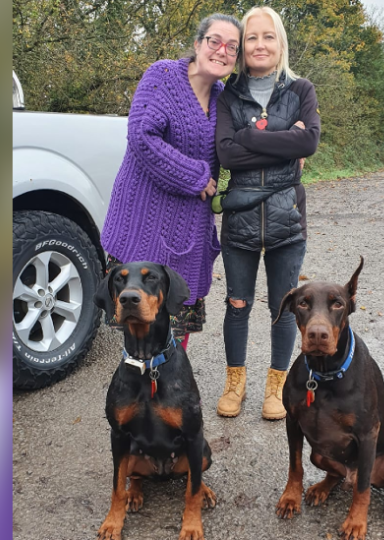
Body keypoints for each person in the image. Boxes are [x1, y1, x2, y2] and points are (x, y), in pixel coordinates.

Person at [100, 14, 243, 350]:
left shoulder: (226, 98)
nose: (222, 51)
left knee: (178, 325)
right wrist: (195, 176)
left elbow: (244, 142)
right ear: (197, 44)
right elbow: (141, 136)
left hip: (189, 231)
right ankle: (139, 390)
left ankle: (170, 388)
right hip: (144, 224)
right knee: (138, 325)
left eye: (232, 47)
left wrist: (293, 139)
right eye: (215, 41)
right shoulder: (163, 75)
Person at [214, 6, 321, 419]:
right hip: (240, 222)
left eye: (268, 36)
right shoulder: (229, 94)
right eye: (252, 37)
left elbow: (308, 143)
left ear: (280, 44)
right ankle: (234, 383)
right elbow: (226, 152)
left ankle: (275, 388)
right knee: (237, 304)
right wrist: (284, 140)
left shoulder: (301, 90)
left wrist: (250, 138)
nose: (260, 44)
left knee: (283, 306)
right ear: (243, 47)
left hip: (287, 220)